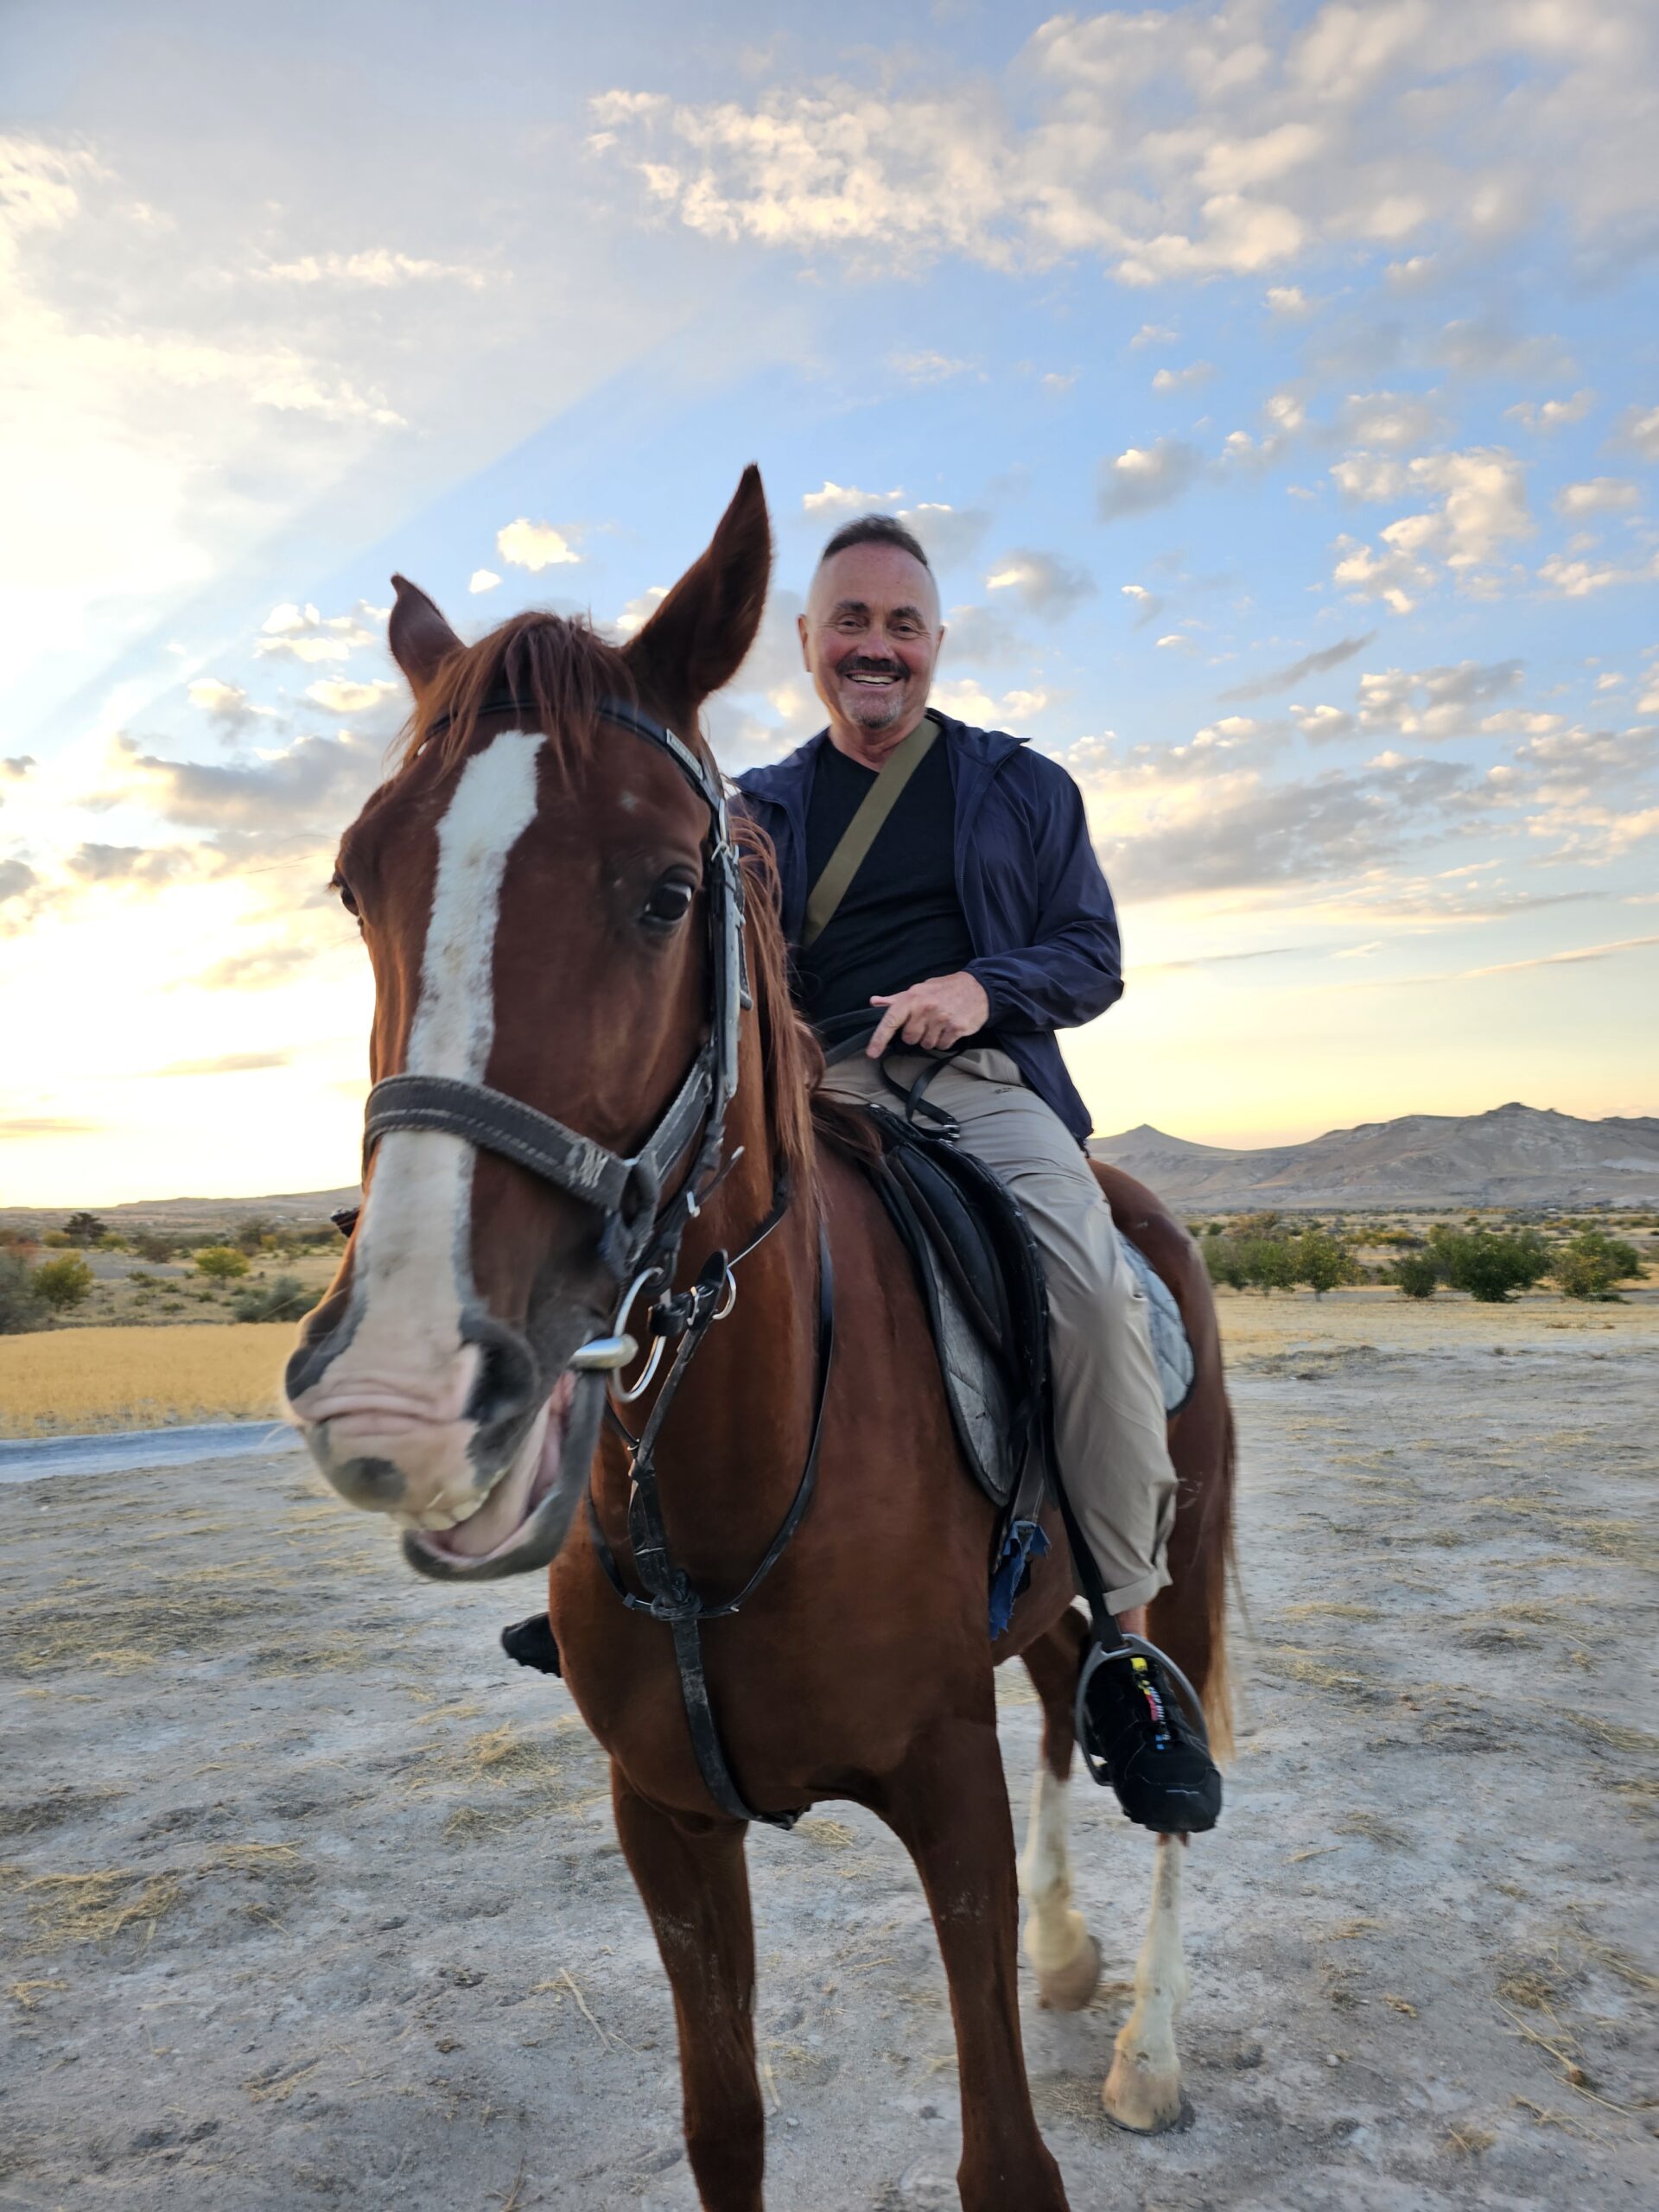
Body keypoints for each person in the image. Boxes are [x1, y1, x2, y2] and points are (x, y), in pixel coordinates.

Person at [734, 514, 1220, 1834]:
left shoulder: (1021, 787)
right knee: (626, 1236)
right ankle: (607, 1568)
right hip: (803, 1093)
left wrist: (981, 987)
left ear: (936, 644)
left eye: (903, 625)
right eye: (851, 621)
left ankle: (1127, 1653)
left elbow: (1090, 954)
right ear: (808, 642)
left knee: (1091, 1294)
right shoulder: (753, 810)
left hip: (979, 1086)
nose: (876, 646)